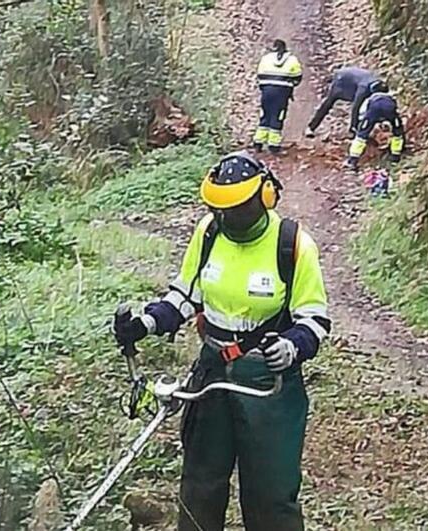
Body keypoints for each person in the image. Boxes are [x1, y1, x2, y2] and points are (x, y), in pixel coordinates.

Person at [113, 151, 330, 531]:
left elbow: (314, 319)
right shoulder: (209, 232)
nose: (227, 218)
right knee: (200, 483)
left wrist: (292, 346)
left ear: (264, 198)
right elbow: (185, 295)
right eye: (219, 210)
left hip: (267, 383)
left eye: (237, 210)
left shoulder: (292, 245)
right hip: (212, 372)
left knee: (271, 492)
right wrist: (146, 322)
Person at [254, 40, 303, 153]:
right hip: (282, 92)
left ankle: (258, 142)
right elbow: (297, 76)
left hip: (266, 91)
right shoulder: (292, 60)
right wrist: (289, 85)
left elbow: (259, 75)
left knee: (265, 115)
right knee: (278, 116)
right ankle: (274, 145)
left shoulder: (266, 59)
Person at [345, 80, 404, 170]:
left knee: (361, 136)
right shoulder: (391, 97)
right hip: (389, 110)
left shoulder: (370, 98)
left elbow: (362, 111)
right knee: (398, 132)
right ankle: (395, 156)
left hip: (373, 110)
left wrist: (362, 124)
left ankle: (353, 160)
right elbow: (396, 109)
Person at [304, 66, 379, 138]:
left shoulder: (377, 83)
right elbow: (356, 106)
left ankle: (355, 128)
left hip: (352, 80)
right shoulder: (364, 88)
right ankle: (311, 127)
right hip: (341, 80)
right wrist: (354, 127)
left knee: (364, 105)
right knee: (329, 102)